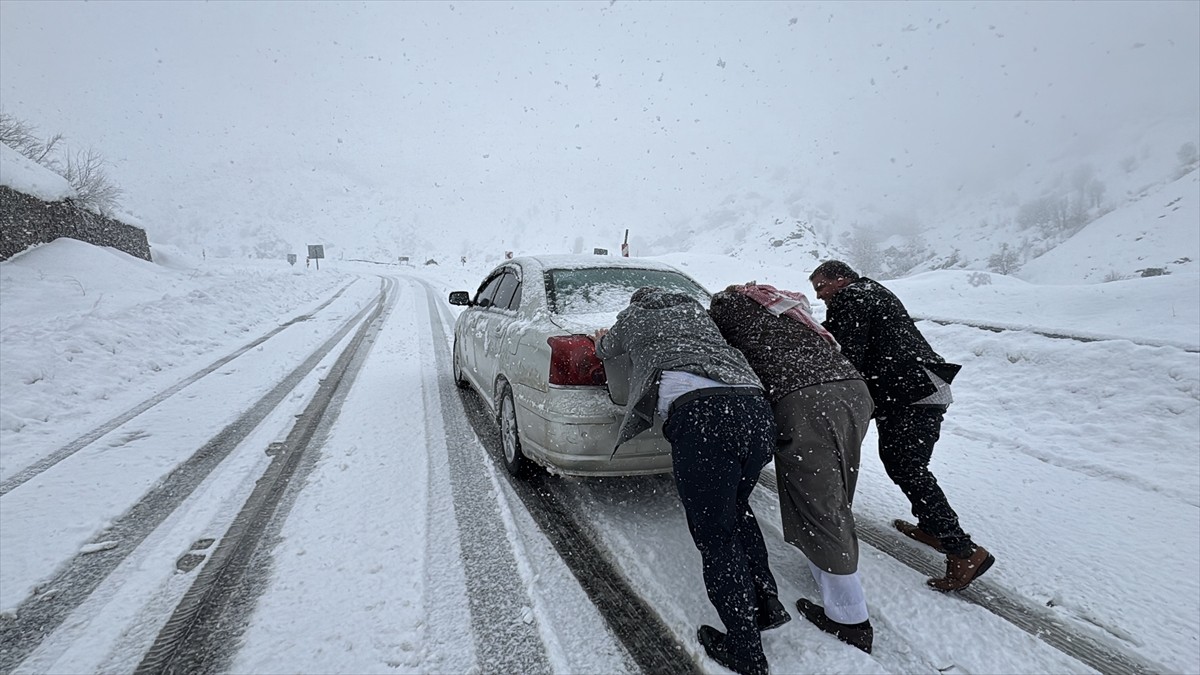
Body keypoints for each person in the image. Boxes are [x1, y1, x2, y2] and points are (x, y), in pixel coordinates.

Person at [592, 287, 786, 675]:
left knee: (715, 535)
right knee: (736, 509)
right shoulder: (698, 314)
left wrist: (601, 340)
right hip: (755, 409)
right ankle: (764, 605)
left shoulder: (635, 316)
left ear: (638, 302)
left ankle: (745, 649)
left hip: (704, 416)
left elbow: (605, 350)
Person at [809, 260, 994, 592]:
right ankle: (932, 527)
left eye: (821, 287)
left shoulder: (853, 296)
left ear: (840, 279)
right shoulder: (872, 292)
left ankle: (963, 550)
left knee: (905, 464)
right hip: (925, 385)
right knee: (907, 462)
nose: (821, 296)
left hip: (909, 389)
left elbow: (844, 352)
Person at [709, 283, 875, 653]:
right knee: (834, 489)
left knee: (820, 503)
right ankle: (827, 565)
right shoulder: (782, 312)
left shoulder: (724, 317)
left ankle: (850, 619)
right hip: (852, 388)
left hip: (803, 398)